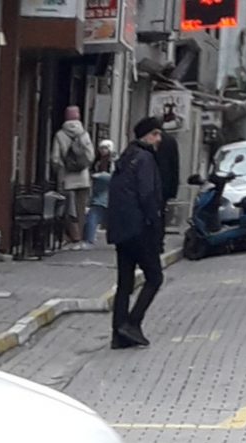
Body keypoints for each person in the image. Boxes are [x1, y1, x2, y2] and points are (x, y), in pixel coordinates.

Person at [107, 116, 166, 349]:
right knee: (154, 277)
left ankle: (118, 334)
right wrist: (156, 226)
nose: (159, 138)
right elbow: (147, 195)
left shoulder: (126, 156)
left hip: (122, 230)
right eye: (156, 134)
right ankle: (132, 323)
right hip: (140, 228)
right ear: (146, 136)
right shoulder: (145, 159)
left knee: (125, 283)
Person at [50, 105, 95, 247]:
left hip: (66, 178)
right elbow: (91, 155)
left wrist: (59, 170)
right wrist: (84, 166)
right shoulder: (84, 134)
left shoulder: (60, 135)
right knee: (81, 208)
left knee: (66, 207)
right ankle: (80, 237)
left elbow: (55, 158)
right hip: (83, 178)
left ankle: (69, 235)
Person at [86, 137, 114, 246]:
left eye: (105, 148)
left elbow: (113, 176)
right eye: (101, 148)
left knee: (95, 215)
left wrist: (99, 176)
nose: (103, 150)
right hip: (98, 192)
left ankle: (90, 238)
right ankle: (90, 238)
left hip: (106, 193)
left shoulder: (112, 162)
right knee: (96, 215)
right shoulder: (97, 162)